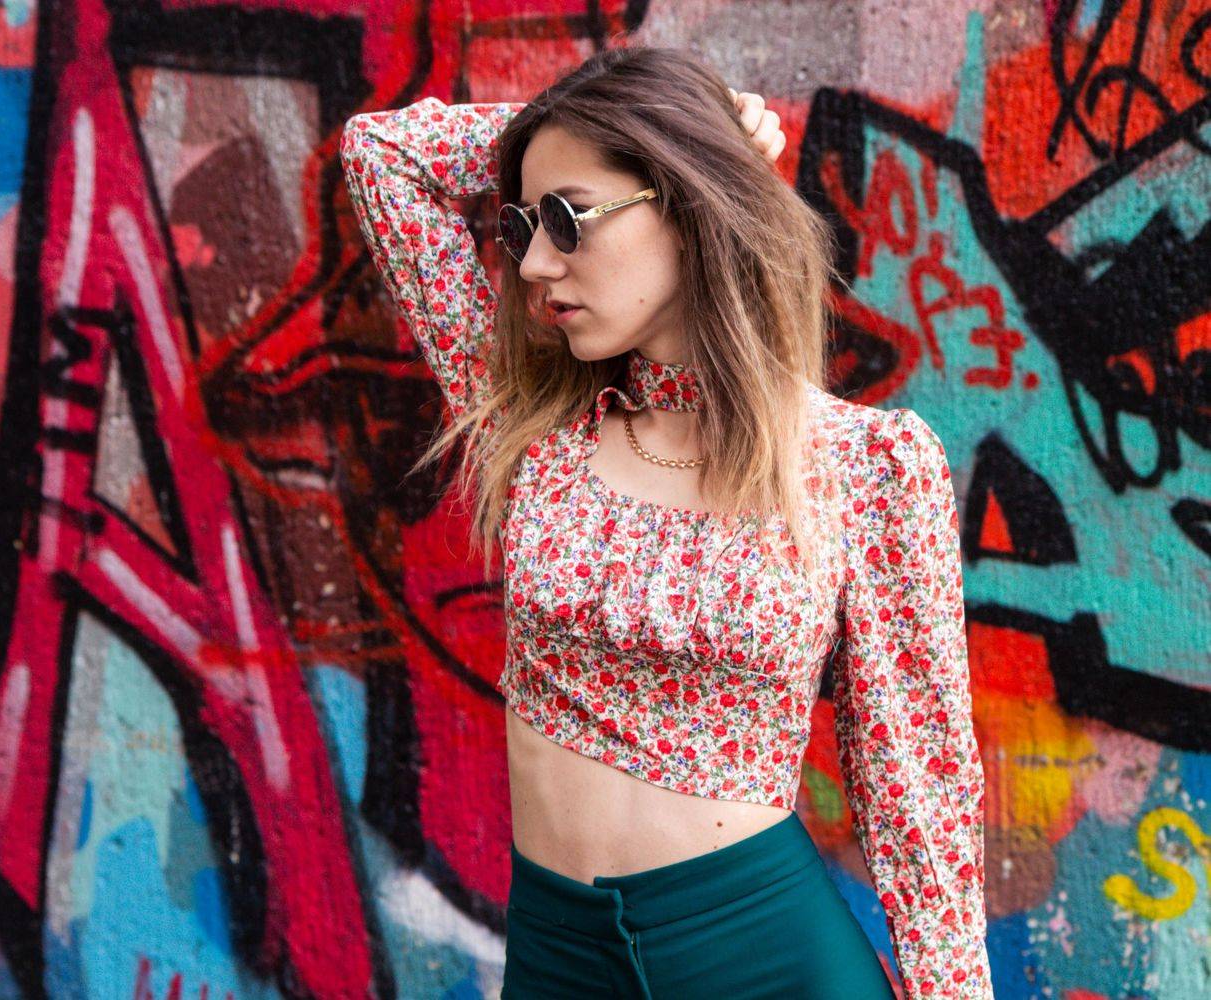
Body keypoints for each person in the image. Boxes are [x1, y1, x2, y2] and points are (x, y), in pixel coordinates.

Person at [339, 43, 991, 1000]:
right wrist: (621, 130)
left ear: (689, 202)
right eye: (524, 224)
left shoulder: (867, 466)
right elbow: (381, 155)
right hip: (556, 959)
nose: (535, 263)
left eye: (569, 220)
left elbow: (918, 792)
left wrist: (686, 138)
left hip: (764, 961)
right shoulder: (537, 425)